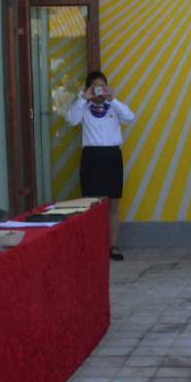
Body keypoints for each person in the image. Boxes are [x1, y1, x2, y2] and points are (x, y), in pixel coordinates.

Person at [66, 71, 136, 262]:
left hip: (112, 155)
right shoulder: (84, 107)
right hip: (92, 157)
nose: (99, 91)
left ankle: (113, 246)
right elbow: (72, 119)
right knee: (91, 205)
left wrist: (113, 99)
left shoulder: (113, 107)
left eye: (103, 86)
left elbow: (130, 117)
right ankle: (93, 246)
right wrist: (83, 98)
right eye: (95, 87)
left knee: (113, 204)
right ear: (88, 88)